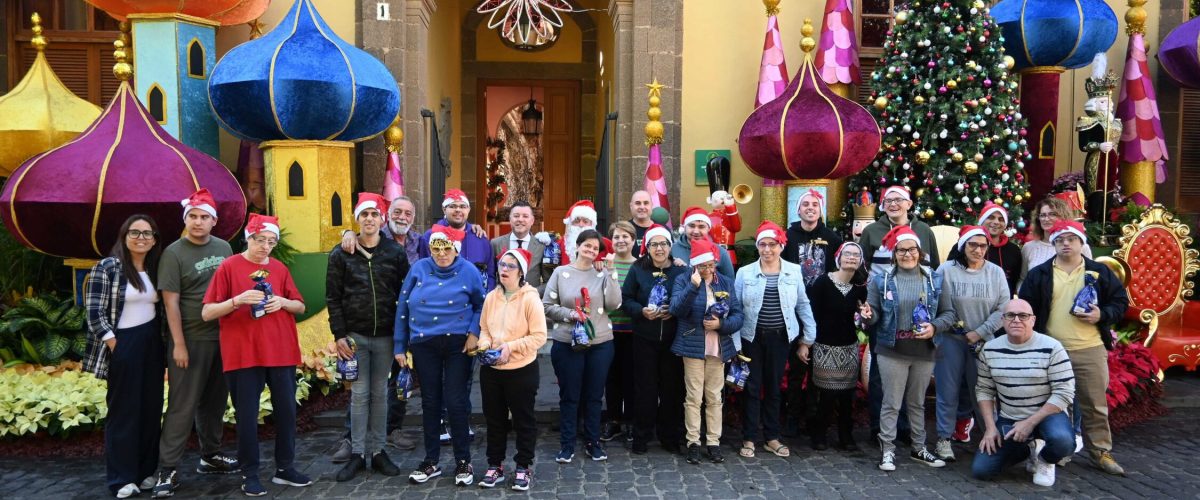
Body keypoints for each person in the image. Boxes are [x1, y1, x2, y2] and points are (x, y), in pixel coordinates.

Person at [201, 214, 311, 496]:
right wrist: (236, 301)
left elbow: (300, 306)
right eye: (259, 240)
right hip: (244, 354)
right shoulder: (229, 267)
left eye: (270, 241)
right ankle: (249, 472)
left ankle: (285, 468)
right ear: (248, 238)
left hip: (281, 352)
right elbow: (207, 312)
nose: (264, 246)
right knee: (247, 417)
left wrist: (283, 302)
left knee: (286, 413)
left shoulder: (280, 268)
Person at [1018, 220, 1129, 476]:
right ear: (1053, 244)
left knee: (1094, 403)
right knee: (1055, 405)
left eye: (1071, 239)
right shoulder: (1040, 274)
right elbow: (1027, 309)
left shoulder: (1098, 272)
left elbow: (1120, 301)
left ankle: (1100, 451)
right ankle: (1060, 450)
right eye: (1059, 240)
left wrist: (1103, 314)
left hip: (1090, 348)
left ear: (1081, 242)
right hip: (1051, 350)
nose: (1065, 244)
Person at [152, 190, 238, 498]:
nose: (198, 222)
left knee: (214, 401)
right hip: (191, 337)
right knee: (182, 404)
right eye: (193, 217)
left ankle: (210, 455)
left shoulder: (224, 247)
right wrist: (178, 344)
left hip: (223, 336)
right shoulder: (174, 253)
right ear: (185, 219)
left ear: (214, 221)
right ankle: (167, 468)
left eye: (204, 217)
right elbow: (170, 304)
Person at [334, 194, 430, 456]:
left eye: (408, 214)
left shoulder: (416, 243)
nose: (403, 218)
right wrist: (347, 233)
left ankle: (390, 432)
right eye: (398, 212)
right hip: (361, 327)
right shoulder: (361, 241)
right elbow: (334, 294)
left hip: (397, 324)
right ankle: (350, 439)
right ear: (388, 215)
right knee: (360, 388)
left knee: (395, 381)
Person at [393, 224, 487, 486]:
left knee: (456, 402)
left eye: (447, 248)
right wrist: (400, 346)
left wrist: (473, 332)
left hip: (458, 343)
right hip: (424, 342)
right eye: (436, 248)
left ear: (455, 249)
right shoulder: (419, 268)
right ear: (430, 248)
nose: (441, 253)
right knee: (430, 402)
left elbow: (481, 304)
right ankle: (431, 460)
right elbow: (403, 306)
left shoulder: (468, 270)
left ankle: (463, 461)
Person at [328, 193, 410, 482]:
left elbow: (406, 293)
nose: (370, 220)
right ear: (357, 219)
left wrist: (404, 334)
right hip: (355, 337)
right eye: (364, 215)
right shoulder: (341, 253)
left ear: (382, 219)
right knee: (360, 395)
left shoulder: (394, 253)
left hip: (386, 336)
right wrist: (339, 334)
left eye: (375, 215)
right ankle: (357, 454)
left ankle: (377, 451)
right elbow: (333, 297)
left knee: (380, 395)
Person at [84, 214, 166, 498]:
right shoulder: (108, 267)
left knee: (151, 409)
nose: (141, 238)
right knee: (124, 411)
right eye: (135, 232)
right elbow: (94, 313)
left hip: (152, 342)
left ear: (155, 239)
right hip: (123, 342)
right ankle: (122, 478)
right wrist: (114, 343)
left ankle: (145, 473)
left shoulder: (157, 268)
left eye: (148, 233)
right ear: (124, 235)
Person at [862, 226, 950, 471]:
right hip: (893, 348)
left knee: (916, 402)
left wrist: (934, 327)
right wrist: (868, 316)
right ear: (894, 254)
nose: (907, 254)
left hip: (924, 349)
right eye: (901, 250)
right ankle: (887, 449)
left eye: (912, 249)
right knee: (891, 401)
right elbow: (874, 314)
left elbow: (949, 313)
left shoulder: (935, 279)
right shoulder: (882, 280)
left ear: (920, 252)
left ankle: (918, 447)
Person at [971, 299, 1076, 486]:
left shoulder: (1052, 347)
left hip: (1048, 415)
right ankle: (1029, 449)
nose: (1016, 320)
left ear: (1033, 320)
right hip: (1010, 417)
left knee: (1063, 442)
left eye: (1023, 316)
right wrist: (990, 428)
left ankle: (1045, 459)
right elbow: (984, 389)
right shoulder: (990, 349)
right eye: (1010, 315)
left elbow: (1064, 393)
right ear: (1003, 320)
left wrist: (1029, 423)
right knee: (982, 470)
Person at [734, 221, 816, 459]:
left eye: (772, 244)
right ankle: (749, 437)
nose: (767, 249)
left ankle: (771, 437)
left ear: (781, 246)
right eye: (762, 244)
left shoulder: (793, 271)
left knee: (773, 387)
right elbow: (736, 308)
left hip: (780, 338)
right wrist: (735, 343)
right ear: (757, 246)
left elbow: (802, 304)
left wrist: (808, 338)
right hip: (751, 338)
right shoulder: (745, 272)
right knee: (751, 387)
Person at [543, 229, 623, 463]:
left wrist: (611, 272)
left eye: (595, 248)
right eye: (587, 245)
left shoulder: (602, 273)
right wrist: (571, 314)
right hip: (567, 342)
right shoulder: (560, 272)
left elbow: (614, 303)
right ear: (577, 246)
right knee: (569, 395)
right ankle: (567, 445)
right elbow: (547, 305)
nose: (590, 250)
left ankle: (593, 442)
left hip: (599, 343)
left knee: (594, 396)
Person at [930, 226, 1009, 462]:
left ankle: (990, 436)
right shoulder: (946, 270)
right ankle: (944, 438)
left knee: (983, 392)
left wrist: (980, 332)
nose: (978, 250)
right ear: (963, 246)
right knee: (948, 390)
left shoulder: (995, 273)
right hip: (951, 340)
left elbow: (1003, 307)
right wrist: (958, 328)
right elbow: (941, 305)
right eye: (972, 245)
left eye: (983, 245)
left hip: (984, 342)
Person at [476, 248, 548, 491]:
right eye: (502, 265)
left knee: (523, 420)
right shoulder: (491, 297)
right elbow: (484, 328)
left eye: (510, 266)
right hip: (492, 370)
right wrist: (485, 345)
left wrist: (511, 347)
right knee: (494, 420)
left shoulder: (530, 298)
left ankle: (523, 466)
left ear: (521, 273)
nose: (503, 269)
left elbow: (539, 336)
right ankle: (494, 465)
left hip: (521, 369)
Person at [670, 239, 745, 465]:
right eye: (703, 266)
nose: (708, 270)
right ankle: (693, 442)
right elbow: (676, 309)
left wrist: (721, 325)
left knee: (714, 396)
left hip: (718, 346)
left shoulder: (726, 282)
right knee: (693, 396)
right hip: (692, 345)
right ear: (695, 265)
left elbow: (738, 315)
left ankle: (713, 442)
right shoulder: (683, 280)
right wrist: (693, 287)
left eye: (711, 265)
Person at [620, 224, 688, 455]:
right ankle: (642, 435)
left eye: (664, 244)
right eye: (654, 244)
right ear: (646, 247)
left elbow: (688, 300)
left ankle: (669, 436)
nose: (659, 248)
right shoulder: (638, 268)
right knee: (645, 389)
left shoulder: (680, 271)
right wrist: (641, 311)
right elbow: (626, 298)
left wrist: (675, 311)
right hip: (644, 338)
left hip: (672, 340)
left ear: (671, 246)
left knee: (671, 389)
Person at [781, 188, 842, 437]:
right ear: (798, 209)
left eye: (814, 205)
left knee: (819, 371)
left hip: (823, 313)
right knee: (796, 370)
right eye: (805, 204)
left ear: (820, 209)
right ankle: (792, 418)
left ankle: (815, 420)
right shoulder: (787, 237)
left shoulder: (833, 238)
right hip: (793, 312)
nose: (810, 208)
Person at [806, 242, 868, 452]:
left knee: (847, 396)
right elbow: (811, 314)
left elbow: (865, 316)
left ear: (861, 261)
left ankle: (845, 435)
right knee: (826, 394)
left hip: (848, 347)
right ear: (839, 258)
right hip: (824, 346)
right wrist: (806, 342)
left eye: (856, 255)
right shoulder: (823, 282)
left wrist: (865, 316)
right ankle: (819, 434)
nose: (851, 258)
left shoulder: (860, 288)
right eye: (847, 254)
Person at [602, 221, 639, 443]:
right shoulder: (604, 265)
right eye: (616, 237)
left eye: (625, 236)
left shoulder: (641, 266)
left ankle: (631, 421)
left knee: (632, 379)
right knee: (611, 378)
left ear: (634, 240)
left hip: (633, 332)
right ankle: (614, 420)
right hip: (609, 332)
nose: (621, 241)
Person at [418, 189, 495, 290]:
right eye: (453, 206)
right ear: (444, 209)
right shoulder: (429, 237)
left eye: (463, 206)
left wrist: (486, 297)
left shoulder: (480, 238)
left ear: (468, 209)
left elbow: (490, 274)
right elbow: (424, 272)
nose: (458, 210)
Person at [859, 185, 940, 278]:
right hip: (881, 290)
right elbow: (862, 266)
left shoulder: (924, 229)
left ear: (909, 204)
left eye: (898, 200)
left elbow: (934, 265)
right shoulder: (871, 231)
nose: (893, 204)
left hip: (919, 290)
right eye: (888, 201)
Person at [1019, 197, 1093, 287]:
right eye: (1042, 215)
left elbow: (1090, 279)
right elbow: (1023, 280)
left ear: (1063, 216)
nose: (1046, 219)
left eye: (1052, 214)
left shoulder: (1081, 247)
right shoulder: (1029, 247)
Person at [536, 200, 614, 268]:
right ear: (570, 224)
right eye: (576, 221)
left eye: (585, 221)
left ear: (592, 224)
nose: (581, 225)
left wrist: (604, 264)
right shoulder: (559, 244)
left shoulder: (606, 244)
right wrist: (541, 241)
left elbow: (619, 261)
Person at [489, 201, 545, 292]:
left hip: (530, 302)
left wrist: (531, 293)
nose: (520, 219)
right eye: (516, 216)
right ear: (510, 219)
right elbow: (490, 275)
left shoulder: (541, 246)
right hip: (503, 300)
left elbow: (548, 282)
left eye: (525, 216)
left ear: (532, 221)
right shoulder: (496, 243)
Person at [670, 206, 736, 279]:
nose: (696, 231)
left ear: (708, 229)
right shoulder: (672, 250)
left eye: (701, 227)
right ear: (684, 228)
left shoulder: (720, 251)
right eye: (692, 226)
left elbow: (730, 283)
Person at [628, 190, 655, 257]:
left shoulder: (662, 229)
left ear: (652, 205)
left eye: (646, 203)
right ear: (631, 206)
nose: (642, 207)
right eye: (638, 203)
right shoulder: (623, 229)